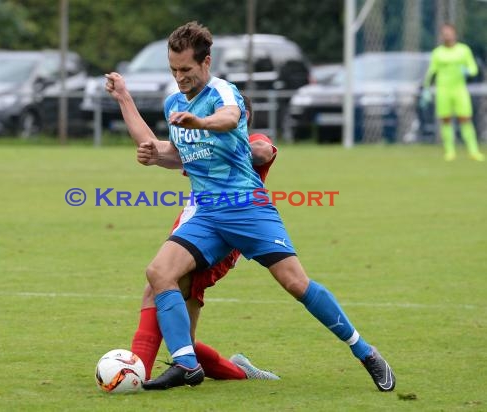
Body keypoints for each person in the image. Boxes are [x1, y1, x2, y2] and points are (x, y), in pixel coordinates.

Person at [106, 21, 395, 392]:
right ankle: (186, 364)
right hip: (206, 213)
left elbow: (226, 120)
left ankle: (366, 353)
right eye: (173, 70)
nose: (179, 78)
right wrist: (135, 118)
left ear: (206, 63)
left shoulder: (222, 92)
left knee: (295, 283)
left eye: (187, 71)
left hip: (247, 207)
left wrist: (202, 121)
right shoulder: (174, 103)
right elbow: (169, 150)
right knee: (159, 273)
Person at [131, 95, 280, 381]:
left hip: (224, 235)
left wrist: (225, 143)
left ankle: (138, 374)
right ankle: (138, 373)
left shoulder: (248, 140)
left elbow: (262, 151)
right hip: (193, 226)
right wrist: (124, 98)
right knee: (163, 299)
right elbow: (155, 148)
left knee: (168, 307)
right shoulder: (202, 148)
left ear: (242, 115)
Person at [422, 23, 484, 162]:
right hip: (443, 90)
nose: (447, 35)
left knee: (465, 118)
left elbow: (473, 68)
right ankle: (450, 151)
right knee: (446, 120)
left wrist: (467, 71)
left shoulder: (463, 50)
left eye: (449, 32)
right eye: (444, 33)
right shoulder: (438, 52)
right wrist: (426, 88)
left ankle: (473, 151)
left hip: (459, 89)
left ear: (454, 34)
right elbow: (431, 72)